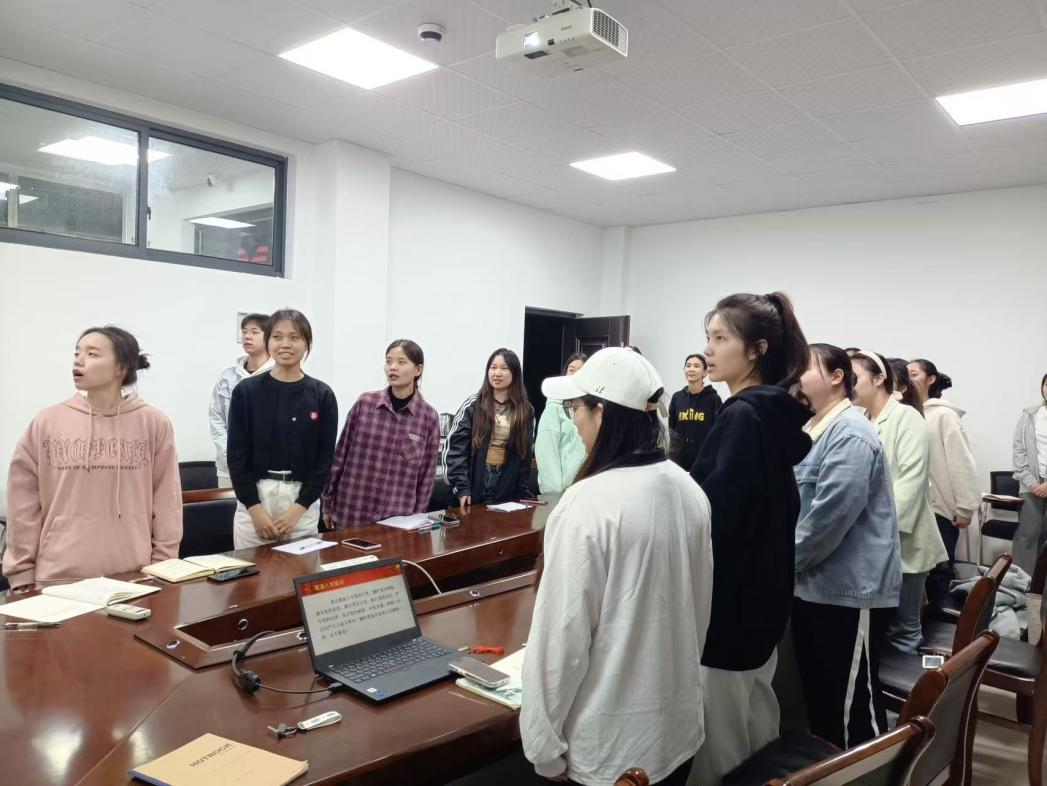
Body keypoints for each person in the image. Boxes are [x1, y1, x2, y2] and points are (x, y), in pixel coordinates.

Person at [519, 347, 713, 785]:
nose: (574, 421)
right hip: (678, 734)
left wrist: (544, 750)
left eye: (575, 408)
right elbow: (698, 614)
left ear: (601, 413)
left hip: (609, 752)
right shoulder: (690, 490)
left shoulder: (587, 504)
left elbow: (561, 642)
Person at [688, 292, 813, 786]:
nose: (708, 350)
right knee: (756, 724)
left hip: (730, 606)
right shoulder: (770, 413)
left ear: (757, 349)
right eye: (708, 337)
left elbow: (719, 519)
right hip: (763, 600)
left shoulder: (742, 415)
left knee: (718, 746)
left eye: (721, 338)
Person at [4, 327, 182, 590]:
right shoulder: (47, 422)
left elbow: (167, 502)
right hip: (57, 576)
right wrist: (21, 573)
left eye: (92, 354)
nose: (79, 361)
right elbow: (23, 503)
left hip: (134, 577)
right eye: (77, 353)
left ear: (120, 367)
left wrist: (163, 567)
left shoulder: (153, 423)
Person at [793, 344, 900, 748]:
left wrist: (781, 562)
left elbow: (827, 520)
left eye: (804, 368)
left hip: (849, 591)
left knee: (852, 711)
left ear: (837, 377)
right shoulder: (813, 429)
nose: (795, 376)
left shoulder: (851, 433)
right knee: (823, 702)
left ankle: (869, 773)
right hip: (816, 585)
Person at [852, 351, 943, 654]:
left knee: (904, 629)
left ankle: (918, 683)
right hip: (875, 540)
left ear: (879, 379)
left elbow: (912, 482)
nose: (848, 385)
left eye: (854, 378)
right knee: (881, 627)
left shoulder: (906, 417)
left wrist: (877, 531)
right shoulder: (862, 419)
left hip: (904, 541)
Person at [226, 309, 337, 548]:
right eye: (277, 337)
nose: (285, 344)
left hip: (301, 502)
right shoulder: (246, 391)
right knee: (252, 570)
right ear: (268, 342)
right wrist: (254, 509)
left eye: (294, 337)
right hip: (255, 499)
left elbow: (324, 460)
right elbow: (236, 456)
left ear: (307, 344)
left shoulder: (322, 395)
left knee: (299, 569)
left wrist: (299, 508)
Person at [322, 340, 441, 527]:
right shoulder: (365, 404)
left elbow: (427, 476)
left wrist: (417, 519)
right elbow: (340, 456)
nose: (393, 367)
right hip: (351, 512)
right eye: (388, 361)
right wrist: (327, 502)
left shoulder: (428, 418)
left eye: (401, 362)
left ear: (418, 370)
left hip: (397, 519)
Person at [908, 359, 980, 608]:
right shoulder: (909, 413)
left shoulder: (943, 415)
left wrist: (966, 506)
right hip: (918, 506)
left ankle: (944, 623)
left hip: (940, 507)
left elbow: (961, 462)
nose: (908, 379)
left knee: (939, 570)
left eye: (914, 374)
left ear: (931, 379)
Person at [443, 348, 534, 508]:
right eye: (493, 367)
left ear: (515, 373)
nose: (497, 373)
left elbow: (524, 457)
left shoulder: (525, 410)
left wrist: (523, 493)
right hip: (474, 483)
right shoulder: (473, 405)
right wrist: (461, 488)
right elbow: (455, 448)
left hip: (505, 483)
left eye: (504, 368)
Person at [208, 313, 274, 487]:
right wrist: (229, 456)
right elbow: (216, 418)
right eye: (244, 331)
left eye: (254, 332)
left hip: (267, 470)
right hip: (228, 468)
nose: (247, 336)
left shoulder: (278, 376)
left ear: (269, 337)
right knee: (227, 504)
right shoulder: (227, 377)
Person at [534, 353, 587, 494]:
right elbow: (546, 454)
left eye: (581, 370)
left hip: (585, 489)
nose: (575, 375)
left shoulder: (592, 410)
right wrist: (554, 493)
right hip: (561, 491)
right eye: (571, 370)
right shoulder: (554, 408)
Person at [1012, 374, 1047, 573]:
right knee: (1028, 534)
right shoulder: (1029, 415)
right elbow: (1019, 450)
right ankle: (1021, 583)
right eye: (1046, 384)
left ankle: (1042, 586)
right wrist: (1032, 483)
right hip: (1031, 484)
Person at [668, 353, 722, 471]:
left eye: (696, 366)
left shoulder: (713, 399)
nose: (691, 369)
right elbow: (671, 430)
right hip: (679, 462)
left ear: (705, 372)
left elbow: (718, 432)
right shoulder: (677, 398)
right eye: (688, 366)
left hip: (704, 461)